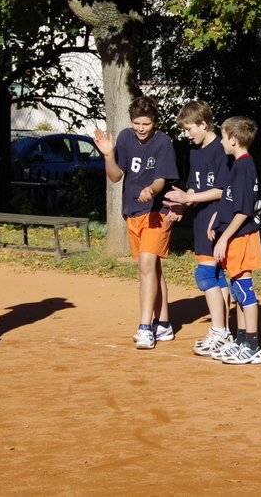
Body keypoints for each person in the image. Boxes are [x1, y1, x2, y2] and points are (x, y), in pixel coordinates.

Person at [94, 96, 179, 350]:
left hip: (157, 213)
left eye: (146, 123)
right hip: (132, 212)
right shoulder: (124, 137)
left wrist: (151, 190)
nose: (141, 128)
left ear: (155, 122)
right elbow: (115, 176)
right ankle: (164, 323)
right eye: (137, 123)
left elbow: (161, 180)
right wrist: (108, 155)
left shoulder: (163, 142)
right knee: (153, 269)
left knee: (146, 266)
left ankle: (145, 327)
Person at [163, 100, 233, 357]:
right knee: (216, 275)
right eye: (183, 130)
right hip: (201, 218)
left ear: (203, 124)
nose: (186, 134)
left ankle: (219, 331)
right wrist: (182, 205)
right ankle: (223, 332)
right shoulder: (194, 150)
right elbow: (195, 187)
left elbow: (222, 190)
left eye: (189, 129)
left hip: (217, 220)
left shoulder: (221, 149)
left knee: (205, 274)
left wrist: (189, 198)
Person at [208, 116, 261, 365]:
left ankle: (252, 345)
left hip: (242, 236)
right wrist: (216, 221)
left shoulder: (244, 166)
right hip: (235, 235)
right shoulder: (239, 165)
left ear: (233, 139)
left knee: (244, 289)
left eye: (223, 137)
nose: (221, 141)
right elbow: (230, 202)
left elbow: (244, 210)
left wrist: (224, 238)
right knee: (237, 290)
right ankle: (242, 340)